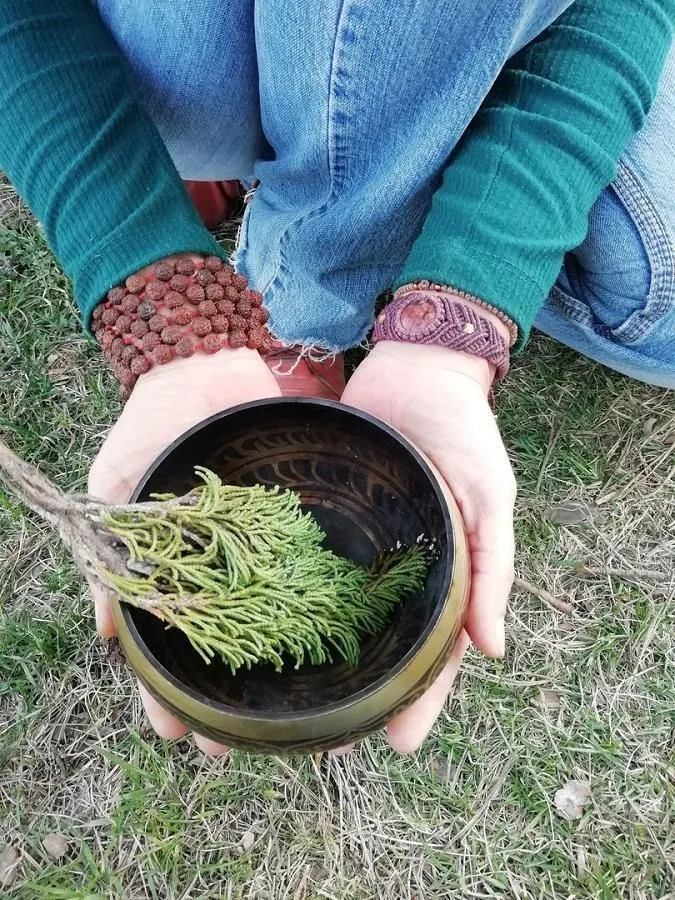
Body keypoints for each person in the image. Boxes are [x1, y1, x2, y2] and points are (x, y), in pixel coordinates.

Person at [1, 0, 673, 758]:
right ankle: (300, 265)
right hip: (175, 42)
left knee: (657, 302)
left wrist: (457, 321)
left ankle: (351, 166)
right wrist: (161, 301)